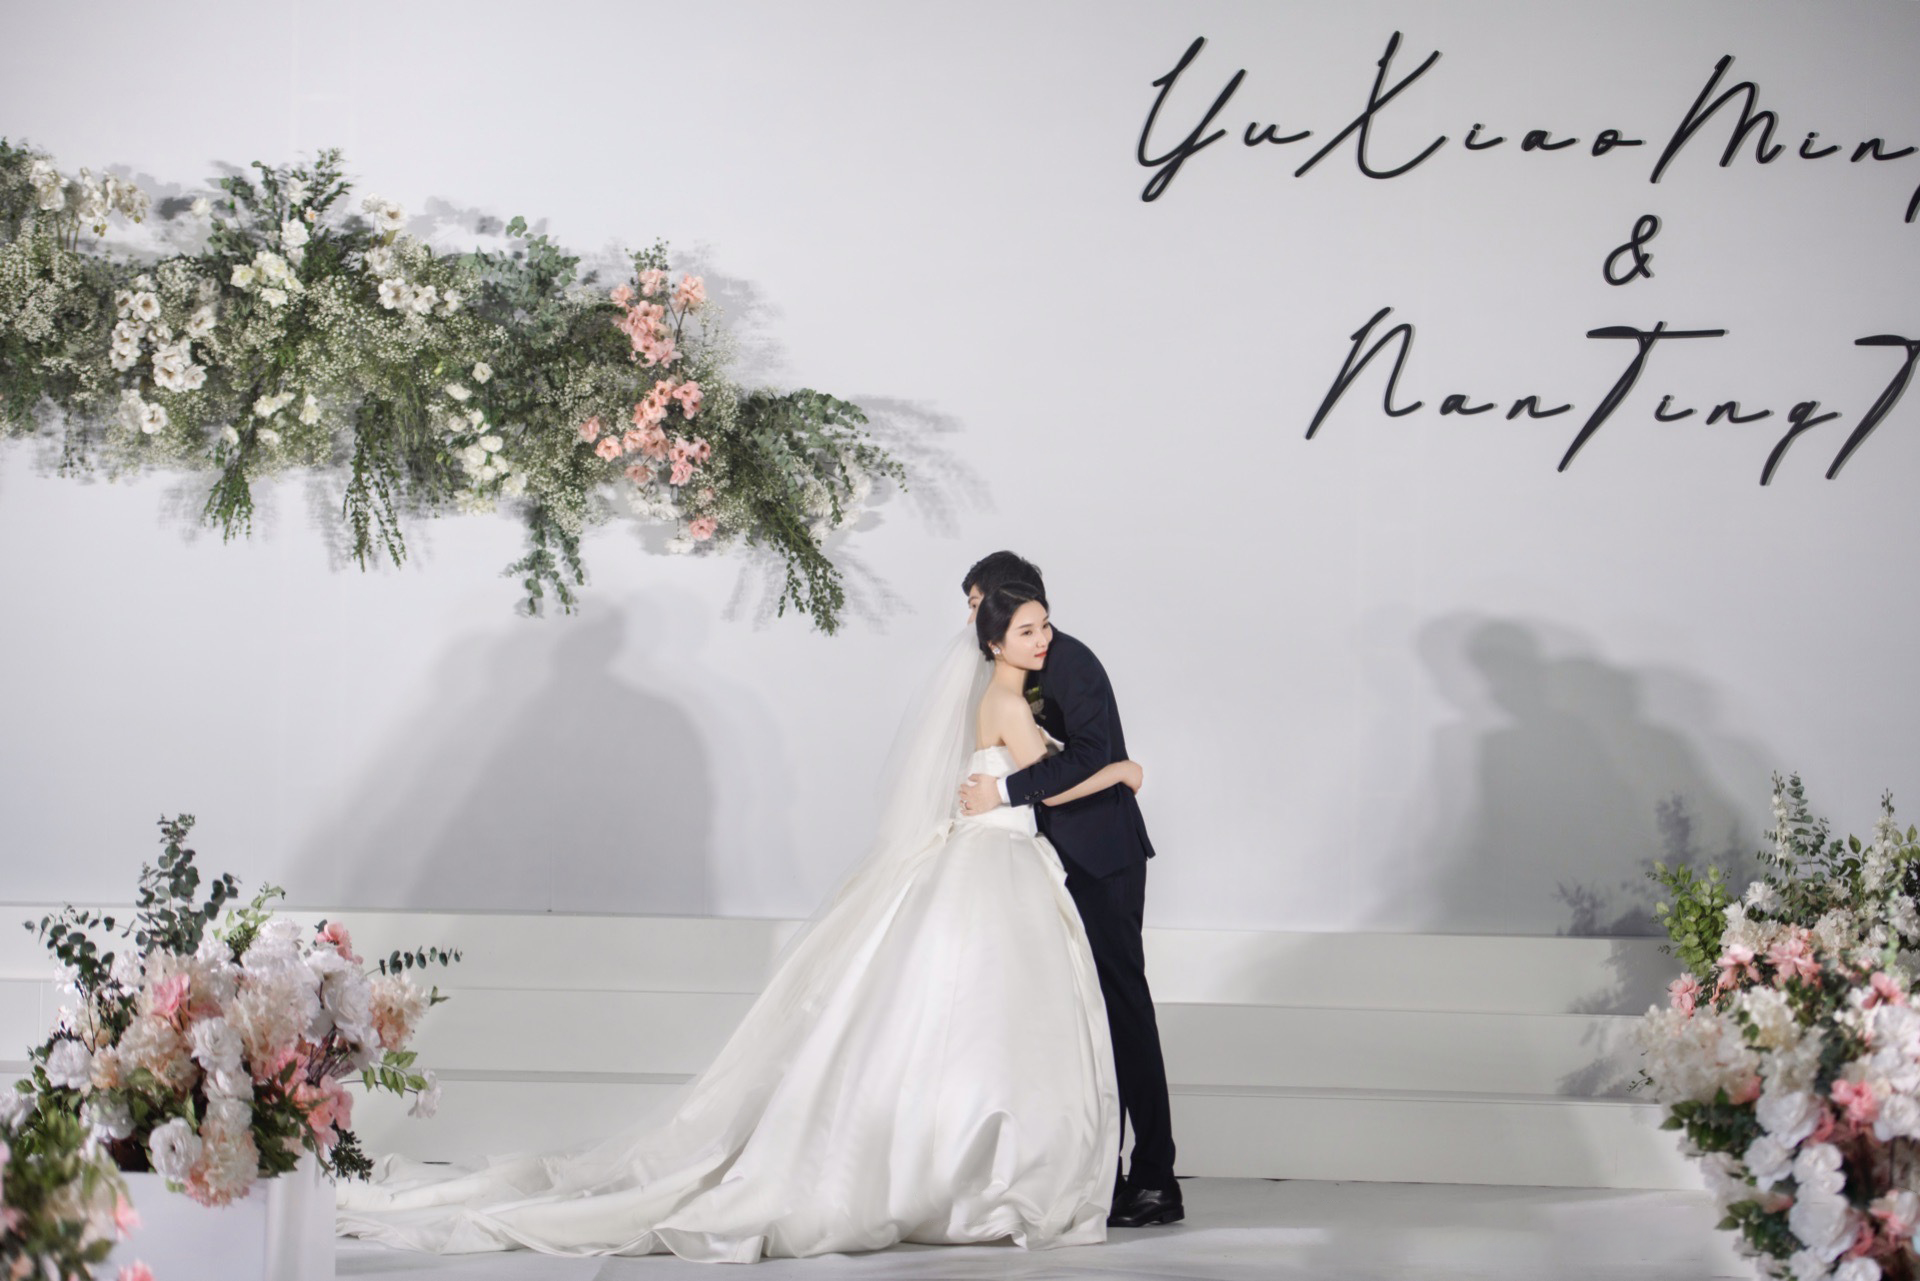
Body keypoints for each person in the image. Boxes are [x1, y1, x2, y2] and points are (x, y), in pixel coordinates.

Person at [335, 581, 1148, 1262]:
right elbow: (1050, 778)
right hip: (999, 857)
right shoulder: (1007, 701)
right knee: (995, 1016)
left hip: (995, 854)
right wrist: (1119, 768)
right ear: (995, 640)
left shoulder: (997, 693)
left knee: (973, 1017)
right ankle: (984, 1171)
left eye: (1044, 625)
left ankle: (962, 1162)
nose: (1044, 638)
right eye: (1028, 629)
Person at [958, 551, 1182, 1228]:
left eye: (977, 603)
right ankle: (1096, 1171)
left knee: (1123, 1008)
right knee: (1081, 1017)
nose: (972, 618)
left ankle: (1155, 1178)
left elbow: (1086, 756)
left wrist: (1006, 790)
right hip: (1050, 860)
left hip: (1103, 857)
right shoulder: (1009, 675)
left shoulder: (1069, 661)